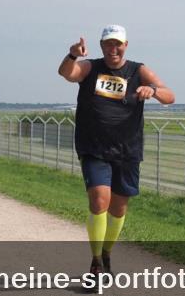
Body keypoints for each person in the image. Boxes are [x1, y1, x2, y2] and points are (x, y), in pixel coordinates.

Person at [58, 25, 174, 282]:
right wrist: (72, 55)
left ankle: (107, 253)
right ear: (101, 46)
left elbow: (169, 95)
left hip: (127, 149)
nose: (113, 49)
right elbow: (67, 73)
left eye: (117, 44)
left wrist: (152, 91)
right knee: (100, 201)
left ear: (125, 45)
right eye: (108, 44)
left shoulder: (138, 70)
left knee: (119, 209)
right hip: (94, 147)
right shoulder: (91, 67)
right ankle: (96, 262)